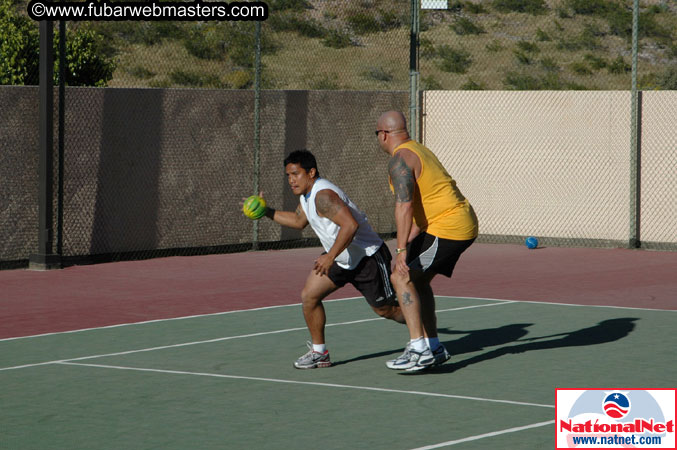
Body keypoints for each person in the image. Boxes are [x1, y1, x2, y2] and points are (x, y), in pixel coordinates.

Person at [254, 150, 404, 369]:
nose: (291, 180)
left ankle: (424, 334)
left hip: (367, 258)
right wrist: (266, 211)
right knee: (309, 296)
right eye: (288, 175)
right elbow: (298, 221)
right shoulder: (306, 196)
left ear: (311, 172)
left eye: (296, 174)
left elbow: (350, 225)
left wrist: (329, 256)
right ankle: (319, 353)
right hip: (341, 257)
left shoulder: (323, 196)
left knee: (386, 310)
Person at [375, 111, 478, 371]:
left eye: (377, 134)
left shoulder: (400, 160)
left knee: (402, 277)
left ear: (383, 134)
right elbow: (423, 209)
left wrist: (399, 251)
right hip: (448, 222)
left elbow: (404, 206)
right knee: (417, 279)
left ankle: (418, 349)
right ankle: (434, 346)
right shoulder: (418, 150)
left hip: (450, 226)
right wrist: (406, 244)